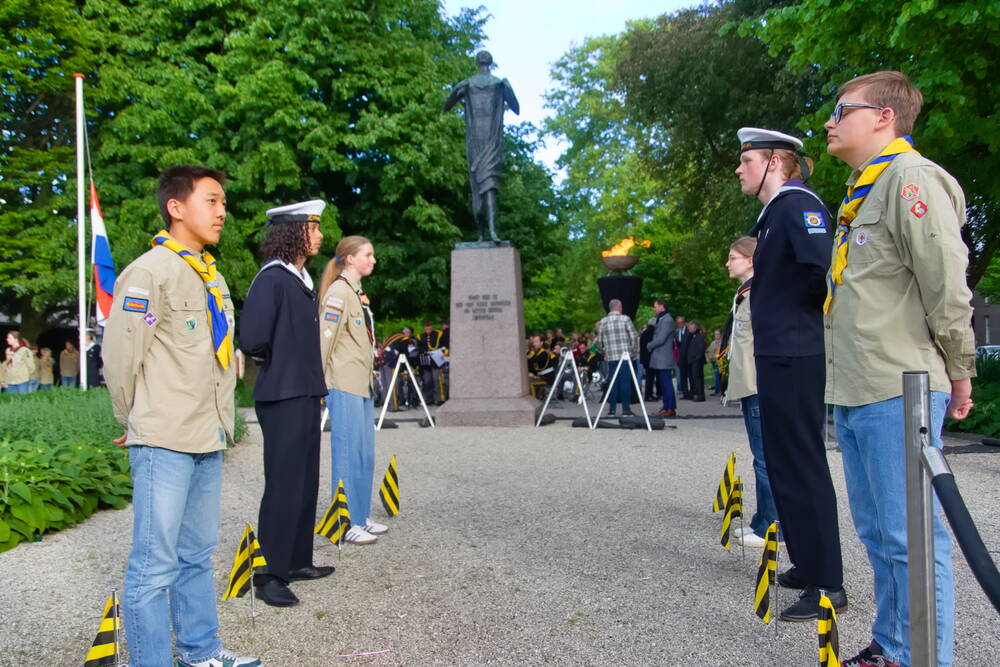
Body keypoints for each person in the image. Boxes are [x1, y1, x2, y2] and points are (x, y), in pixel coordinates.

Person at [823, 71, 975, 667]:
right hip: (861, 384)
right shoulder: (866, 189)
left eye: (842, 111)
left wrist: (960, 367)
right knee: (883, 534)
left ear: (884, 117)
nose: (831, 123)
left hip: (899, 384)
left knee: (911, 538)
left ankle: (918, 656)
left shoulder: (911, 180)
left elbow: (945, 279)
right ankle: (893, 645)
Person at [101, 165, 258, 667]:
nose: (222, 211)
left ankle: (201, 649)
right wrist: (132, 422)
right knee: (153, 564)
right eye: (211, 201)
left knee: (195, 555)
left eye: (223, 203)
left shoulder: (209, 274)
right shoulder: (150, 272)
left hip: (205, 436)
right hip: (165, 437)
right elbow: (120, 356)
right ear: (176, 207)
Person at [735, 126, 846, 621]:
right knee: (783, 461)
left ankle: (828, 582)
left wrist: (799, 326)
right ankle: (808, 560)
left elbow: (820, 270)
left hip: (797, 352)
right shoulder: (776, 211)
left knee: (801, 462)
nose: (739, 168)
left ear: (776, 161)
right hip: (781, 351)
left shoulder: (799, 205)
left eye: (747, 159)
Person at [239, 199, 333, 608]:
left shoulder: (299, 277)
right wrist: (283, 364)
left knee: (305, 479)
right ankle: (268, 574)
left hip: (303, 391)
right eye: (313, 228)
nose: (320, 235)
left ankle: (295, 560)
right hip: (282, 393)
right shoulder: (273, 279)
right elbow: (252, 339)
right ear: (294, 231)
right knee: (282, 484)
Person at [318, 236, 387, 545]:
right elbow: (325, 341)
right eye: (367, 255)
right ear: (349, 259)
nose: (373, 260)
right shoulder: (338, 293)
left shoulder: (356, 293)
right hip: (343, 383)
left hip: (361, 383)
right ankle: (344, 523)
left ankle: (359, 515)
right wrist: (318, 382)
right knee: (346, 453)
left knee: (363, 454)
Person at [722, 236, 780, 550]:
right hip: (750, 385)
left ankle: (771, 526)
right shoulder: (746, 294)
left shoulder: (760, 293)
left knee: (765, 458)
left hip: (760, 385)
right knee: (762, 456)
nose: (728, 262)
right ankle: (763, 521)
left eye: (733, 257)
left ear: (750, 260)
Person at [443, 50, 520, 242]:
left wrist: (507, 87)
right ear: (489, 62)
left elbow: (515, 108)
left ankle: (492, 231)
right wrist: (457, 89)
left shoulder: (498, 84)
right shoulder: (469, 84)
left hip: (490, 143)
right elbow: (447, 105)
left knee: (489, 186)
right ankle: (481, 233)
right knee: (479, 193)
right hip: (476, 144)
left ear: (478, 62)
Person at [595, 299, 640, 417]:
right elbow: (634, 337)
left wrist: (604, 352)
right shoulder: (625, 319)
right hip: (625, 356)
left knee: (612, 382)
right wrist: (633, 352)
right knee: (625, 382)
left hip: (611, 356)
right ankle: (626, 410)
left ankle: (612, 410)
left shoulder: (603, 321)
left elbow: (599, 341)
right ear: (619, 307)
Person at [647, 299, 677, 417]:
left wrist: (649, 345)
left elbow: (661, 338)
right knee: (663, 384)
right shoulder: (662, 319)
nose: (654, 309)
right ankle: (666, 407)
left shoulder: (667, 320)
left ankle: (670, 408)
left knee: (666, 383)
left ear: (662, 306)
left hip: (664, 357)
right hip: (660, 357)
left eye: (655, 306)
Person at [418, 320, 446, 405]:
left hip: (436, 360)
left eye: (429, 328)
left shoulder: (438, 334)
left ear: (432, 327)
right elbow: (420, 348)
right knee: (427, 380)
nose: (428, 330)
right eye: (426, 328)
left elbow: (444, 345)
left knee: (437, 379)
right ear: (424, 328)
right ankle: (428, 399)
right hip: (426, 360)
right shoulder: (420, 336)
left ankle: (440, 399)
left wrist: (444, 352)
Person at [526, 334, 556, 398]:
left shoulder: (544, 353)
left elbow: (532, 361)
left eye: (536, 342)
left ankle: (533, 400)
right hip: (540, 376)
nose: (534, 344)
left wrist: (530, 353)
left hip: (547, 377)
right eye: (533, 342)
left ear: (541, 342)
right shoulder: (537, 352)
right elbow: (530, 365)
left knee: (527, 381)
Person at [684, 321, 706, 402]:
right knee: (694, 378)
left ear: (695, 327)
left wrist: (696, 359)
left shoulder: (699, 336)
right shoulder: (693, 336)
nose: (688, 329)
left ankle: (700, 395)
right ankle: (697, 393)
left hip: (696, 361)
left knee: (697, 378)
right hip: (693, 361)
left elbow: (701, 349)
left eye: (690, 327)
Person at [674, 316, 690, 398]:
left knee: (690, 375)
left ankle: (692, 391)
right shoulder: (676, 331)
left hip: (688, 355)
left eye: (681, 323)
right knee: (682, 375)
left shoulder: (688, 331)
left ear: (684, 322)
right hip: (680, 356)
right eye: (678, 323)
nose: (680, 324)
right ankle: (685, 392)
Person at [708, 330, 723, 396]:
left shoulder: (722, 342)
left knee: (720, 376)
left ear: (720, 335)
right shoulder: (712, 343)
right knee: (716, 376)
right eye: (715, 334)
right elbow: (710, 352)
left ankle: (720, 390)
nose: (717, 336)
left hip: (721, 362)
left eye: (718, 334)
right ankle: (717, 390)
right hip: (714, 362)